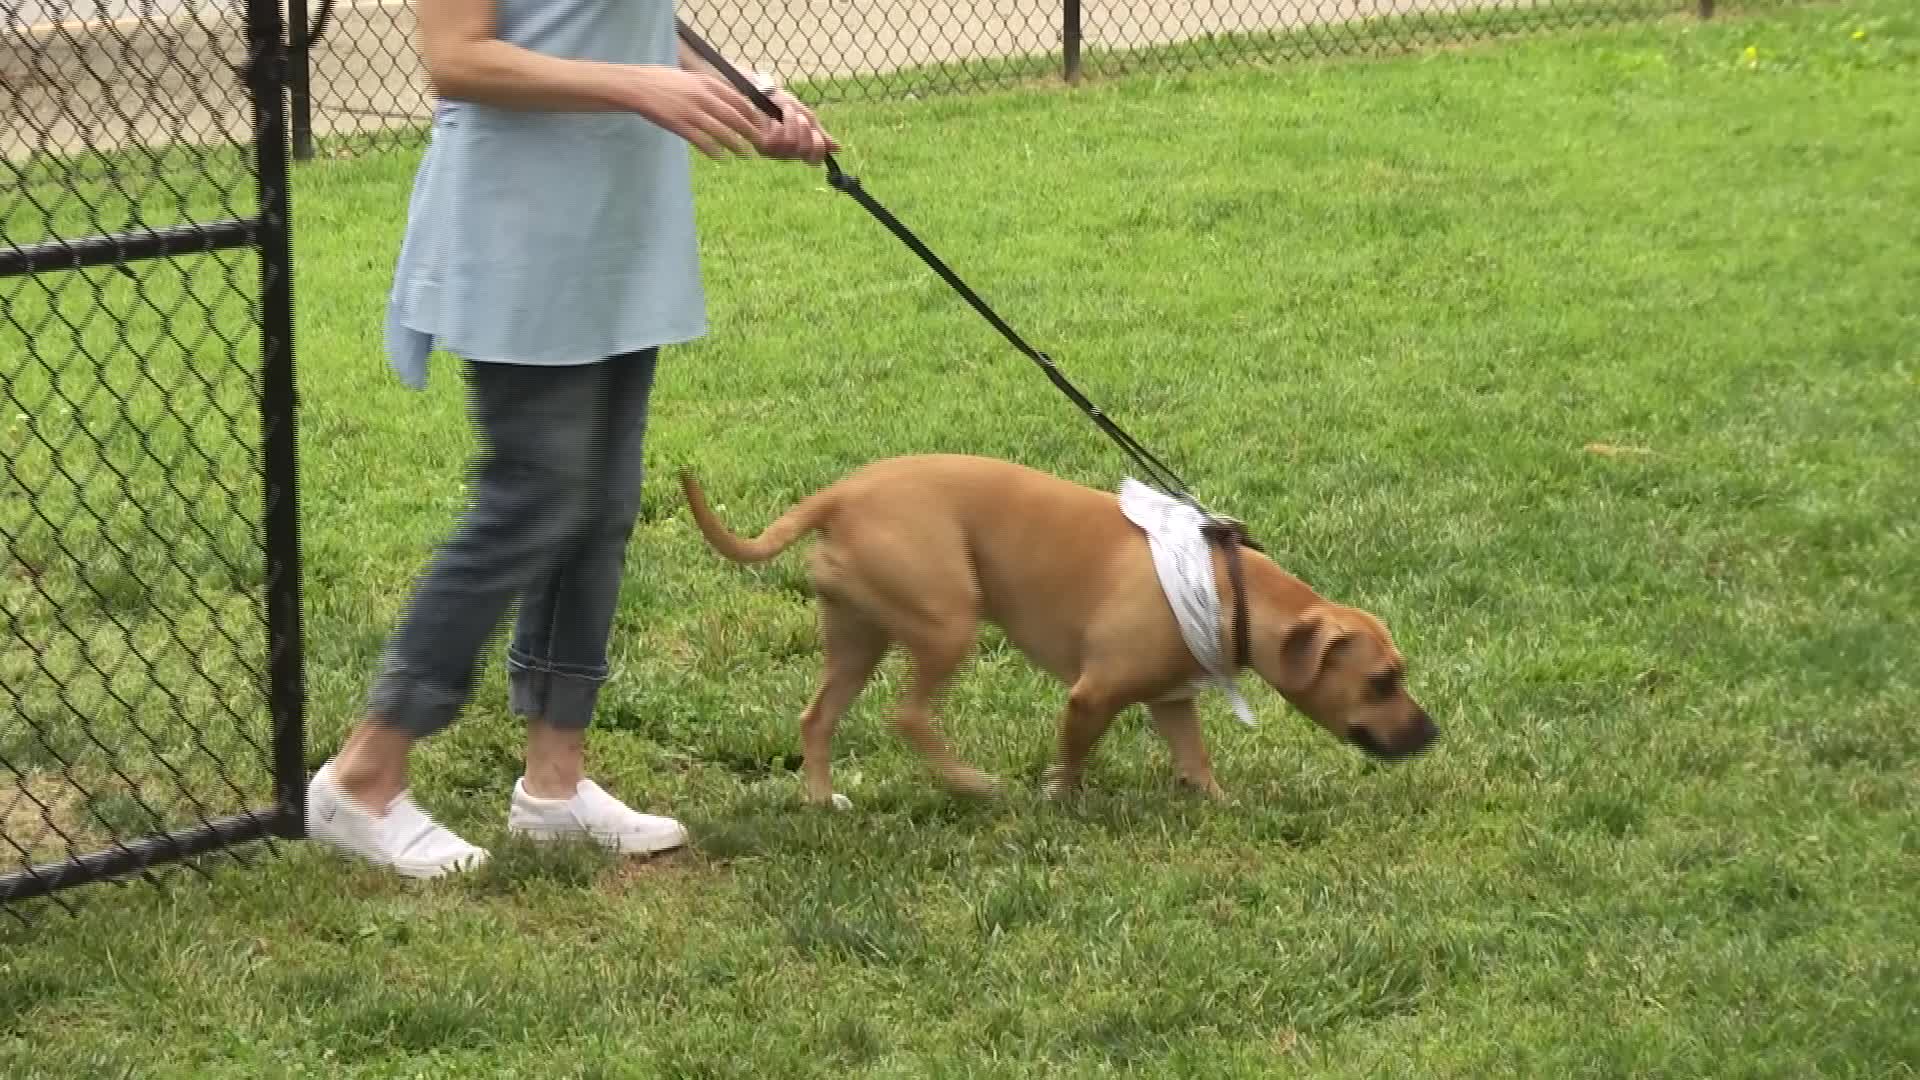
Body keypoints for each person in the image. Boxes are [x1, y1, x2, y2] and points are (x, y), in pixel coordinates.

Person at [305, 0, 838, 879]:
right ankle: (363, 776)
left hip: (618, 226)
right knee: (535, 496)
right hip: (520, 230)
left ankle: (554, 787)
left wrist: (740, 96)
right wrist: (643, 90)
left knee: (599, 504)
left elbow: (619, 27)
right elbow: (460, 59)